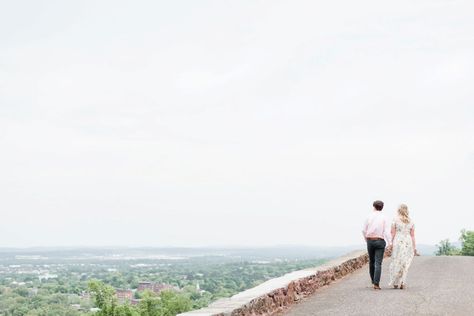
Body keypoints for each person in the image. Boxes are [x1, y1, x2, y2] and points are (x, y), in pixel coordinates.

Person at [362, 200, 391, 290]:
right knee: (378, 263)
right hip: (380, 241)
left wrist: (366, 239)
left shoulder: (368, 216)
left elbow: (363, 230)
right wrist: (390, 243)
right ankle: (376, 283)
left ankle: (373, 280)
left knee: (371, 261)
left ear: (374, 206)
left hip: (370, 240)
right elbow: (386, 231)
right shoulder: (384, 217)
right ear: (382, 207)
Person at [389, 204, 416, 289]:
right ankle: (403, 282)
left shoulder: (395, 220)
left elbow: (392, 233)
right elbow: (412, 235)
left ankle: (396, 282)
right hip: (408, 242)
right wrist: (414, 247)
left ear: (399, 210)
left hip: (398, 241)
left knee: (396, 261)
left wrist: (391, 243)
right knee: (405, 263)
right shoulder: (411, 221)